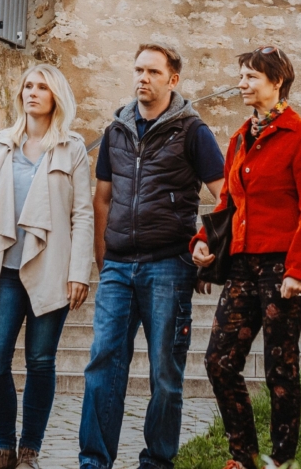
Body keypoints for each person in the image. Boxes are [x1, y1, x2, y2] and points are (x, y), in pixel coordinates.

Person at [79, 44, 225, 469]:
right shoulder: (115, 131)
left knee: (165, 373)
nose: (142, 78)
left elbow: (225, 196)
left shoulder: (193, 131)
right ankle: (94, 463)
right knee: (102, 367)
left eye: (153, 71)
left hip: (169, 266)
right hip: (119, 268)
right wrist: (105, 262)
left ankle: (157, 463)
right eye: (138, 69)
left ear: (172, 80)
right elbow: (102, 199)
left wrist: (205, 245)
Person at [191, 47, 301, 469]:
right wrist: (203, 241)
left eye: (251, 77)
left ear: (276, 81)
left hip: (283, 265)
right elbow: (227, 202)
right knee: (219, 360)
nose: (242, 84)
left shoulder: (300, 134)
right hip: (243, 264)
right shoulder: (238, 138)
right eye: (242, 76)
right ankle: (243, 456)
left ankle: (280, 460)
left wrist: (299, 270)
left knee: (279, 367)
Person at [0, 65, 95, 469]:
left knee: (40, 361)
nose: (32, 93)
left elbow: (83, 215)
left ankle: (29, 451)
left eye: (42, 87)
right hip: (2, 268)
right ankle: (2, 445)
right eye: (28, 86)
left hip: (50, 268)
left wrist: (78, 273)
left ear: (56, 96)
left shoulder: (72, 148)